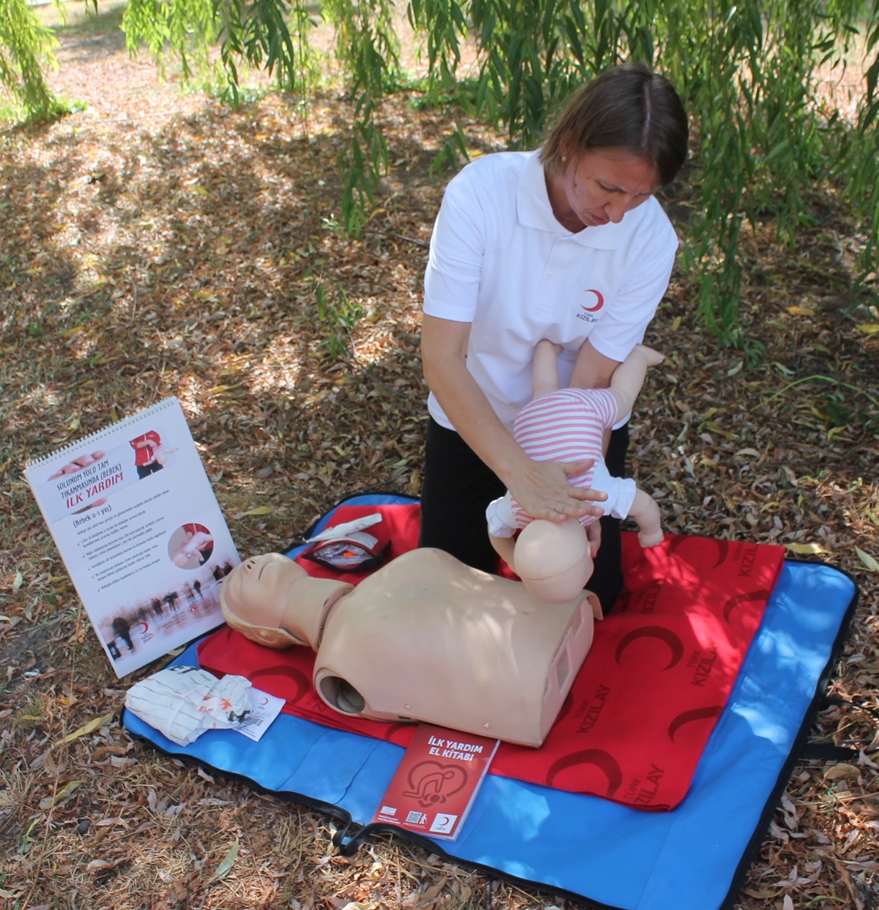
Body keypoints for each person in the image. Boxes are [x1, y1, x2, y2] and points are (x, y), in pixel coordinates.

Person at [419, 61, 688, 614]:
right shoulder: (480, 195)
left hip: (572, 433)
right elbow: (442, 357)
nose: (617, 215)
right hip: (476, 419)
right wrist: (520, 476)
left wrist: (580, 496)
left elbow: (592, 379)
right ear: (568, 143)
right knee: (446, 588)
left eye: (638, 196)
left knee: (591, 594)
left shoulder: (651, 238)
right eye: (607, 187)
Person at [218, 548, 598, 747]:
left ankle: (539, 640)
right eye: (239, 585)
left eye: (247, 565)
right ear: (265, 634)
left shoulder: (407, 565)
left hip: (564, 617)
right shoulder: (338, 663)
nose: (248, 566)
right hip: (533, 692)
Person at [488, 340, 666, 602]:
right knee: (544, 391)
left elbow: (645, 505)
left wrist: (652, 531)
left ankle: (638, 357)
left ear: (587, 550)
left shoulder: (597, 498)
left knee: (623, 396)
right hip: (530, 420)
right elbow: (495, 532)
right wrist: (514, 561)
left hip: (583, 409)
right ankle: (546, 350)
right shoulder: (518, 509)